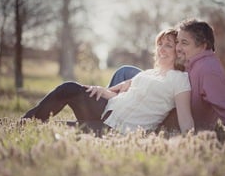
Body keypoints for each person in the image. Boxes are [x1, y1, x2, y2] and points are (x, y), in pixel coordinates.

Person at [22, 28, 195, 134]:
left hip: (119, 130)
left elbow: (186, 119)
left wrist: (192, 141)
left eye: (168, 45)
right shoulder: (148, 73)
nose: (162, 49)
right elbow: (121, 94)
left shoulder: (180, 80)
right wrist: (102, 90)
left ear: (177, 51)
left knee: (57, 128)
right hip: (105, 110)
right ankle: (23, 123)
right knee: (69, 88)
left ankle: (30, 126)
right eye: (160, 44)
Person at [112, 19, 225, 132]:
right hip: (171, 100)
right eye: (178, 42)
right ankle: (109, 111)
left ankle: (108, 118)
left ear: (203, 45)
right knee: (127, 72)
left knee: (125, 73)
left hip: (174, 116)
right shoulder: (193, 61)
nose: (178, 47)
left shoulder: (209, 70)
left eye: (184, 43)